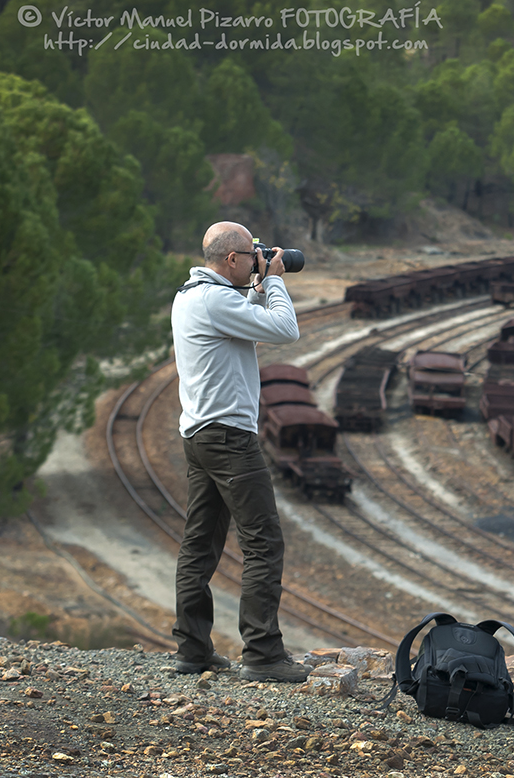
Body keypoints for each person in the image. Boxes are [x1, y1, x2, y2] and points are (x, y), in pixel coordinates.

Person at [169, 221, 312, 683]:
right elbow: (285, 329)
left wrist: (258, 281)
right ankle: (263, 654)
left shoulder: (191, 296)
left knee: (200, 544)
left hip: (199, 437)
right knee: (263, 543)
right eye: (252, 254)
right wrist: (273, 280)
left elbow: (241, 318)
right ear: (232, 260)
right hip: (230, 440)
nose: (257, 259)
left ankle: (193, 650)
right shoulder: (215, 300)